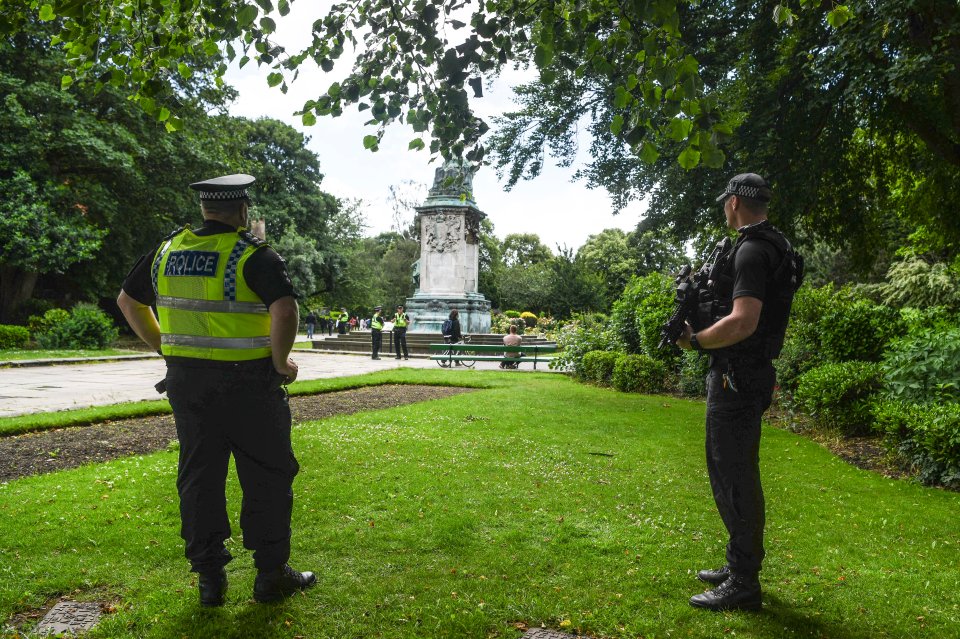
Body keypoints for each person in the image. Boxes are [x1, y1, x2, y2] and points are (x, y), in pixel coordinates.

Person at [116, 174, 315, 607]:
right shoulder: (252, 255)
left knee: (199, 477)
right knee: (267, 474)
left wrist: (163, 347)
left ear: (205, 209)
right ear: (242, 210)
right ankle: (269, 575)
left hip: (189, 384)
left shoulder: (167, 252)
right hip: (250, 386)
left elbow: (128, 301)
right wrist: (282, 362)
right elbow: (284, 308)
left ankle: (209, 578)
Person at [677, 173, 802, 612]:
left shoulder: (751, 250)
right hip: (750, 373)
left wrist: (696, 341)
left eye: (724, 203)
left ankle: (744, 582)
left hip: (737, 376)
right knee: (733, 471)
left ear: (733, 203)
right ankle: (738, 566)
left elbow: (744, 320)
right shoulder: (775, 244)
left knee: (734, 475)